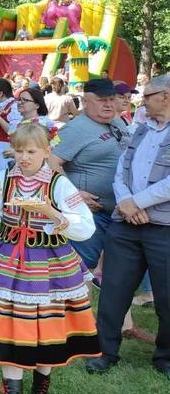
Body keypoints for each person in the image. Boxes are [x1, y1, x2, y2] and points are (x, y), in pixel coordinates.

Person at [0, 123, 100, 394]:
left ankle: (39, 393)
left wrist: (52, 214)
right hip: (8, 262)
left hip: (50, 264)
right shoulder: (3, 178)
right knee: (9, 326)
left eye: (31, 151)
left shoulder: (59, 185)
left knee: (47, 326)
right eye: (19, 150)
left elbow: (86, 227)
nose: (24, 157)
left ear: (47, 151)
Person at [48, 79, 151, 343]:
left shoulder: (119, 123)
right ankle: (77, 328)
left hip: (119, 211)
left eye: (111, 99)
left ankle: (125, 325)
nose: (108, 105)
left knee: (117, 270)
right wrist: (74, 195)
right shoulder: (75, 130)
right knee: (83, 270)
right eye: (101, 100)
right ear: (85, 102)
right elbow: (50, 163)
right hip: (88, 213)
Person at [86, 75, 170, 378]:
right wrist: (125, 203)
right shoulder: (139, 130)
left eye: (147, 95)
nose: (140, 100)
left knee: (167, 295)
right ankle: (104, 350)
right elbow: (121, 171)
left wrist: (138, 202)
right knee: (113, 289)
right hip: (126, 225)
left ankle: (165, 357)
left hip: (163, 227)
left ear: (166, 97)